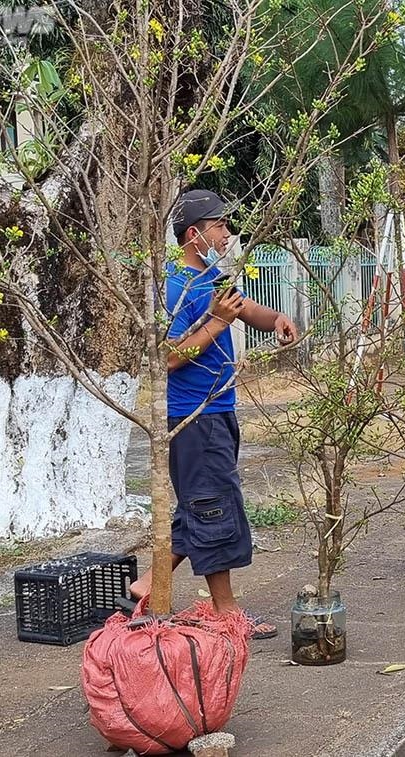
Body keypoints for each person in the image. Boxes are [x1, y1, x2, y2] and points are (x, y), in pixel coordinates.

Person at [128, 188, 297, 639]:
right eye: (219, 226)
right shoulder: (175, 286)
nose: (227, 233)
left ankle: (146, 584)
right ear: (193, 235)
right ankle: (225, 612)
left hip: (217, 409)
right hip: (194, 417)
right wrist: (218, 323)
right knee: (212, 508)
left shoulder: (210, 277)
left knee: (199, 504)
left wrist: (276, 318)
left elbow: (244, 308)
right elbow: (167, 356)